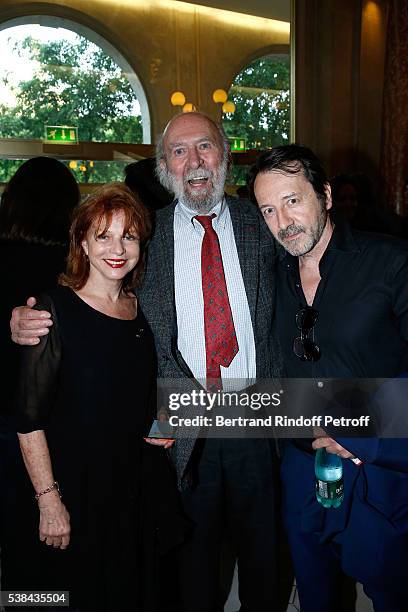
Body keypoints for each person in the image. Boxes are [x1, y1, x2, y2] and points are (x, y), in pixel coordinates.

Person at [11, 113, 284, 612]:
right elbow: (81, 293)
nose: (195, 162)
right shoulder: (146, 234)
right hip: (177, 433)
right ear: (163, 166)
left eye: (205, 147)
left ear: (224, 155)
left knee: (264, 569)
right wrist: (18, 321)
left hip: (254, 421)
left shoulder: (259, 222)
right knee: (190, 576)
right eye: (179, 152)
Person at [249, 144, 408, 612]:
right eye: (269, 210)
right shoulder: (270, 276)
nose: (283, 222)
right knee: (315, 593)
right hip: (302, 466)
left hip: (378, 468)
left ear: (326, 195)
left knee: (391, 590)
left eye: (293, 201)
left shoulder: (392, 261)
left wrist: (359, 427)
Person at [7, 183, 179, 612]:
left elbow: (137, 393)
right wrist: (48, 502)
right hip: (70, 491)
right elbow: (28, 420)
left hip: (129, 492)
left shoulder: (140, 310)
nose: (117, 248)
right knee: (59, 598)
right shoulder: (52, 312)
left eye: (129, 236)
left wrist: (165, 421)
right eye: (103, 235)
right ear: (82, 242)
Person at [0, 157, 80, 589]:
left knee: (18, 542)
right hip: (53, 428)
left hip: (8, 423)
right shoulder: (73, 271)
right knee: (55, 536)